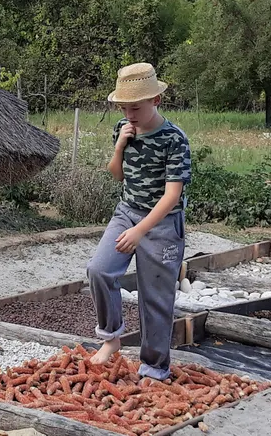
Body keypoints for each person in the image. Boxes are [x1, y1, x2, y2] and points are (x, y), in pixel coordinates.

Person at [86, 62, 191, 380]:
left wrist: (140, 231)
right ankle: (111, 337)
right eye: (124, 108)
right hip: (127, 212)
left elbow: (172, 196)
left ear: (155, 101)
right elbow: (118, 175)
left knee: (155, 297)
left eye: (135, 107)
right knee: (99, 270)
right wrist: (119, 146)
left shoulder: (175, 140)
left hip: (162, 224)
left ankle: (155, 367)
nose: (129, 114)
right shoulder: (123, 128)